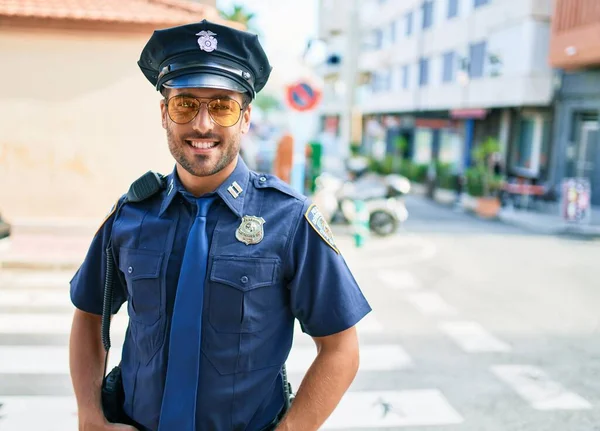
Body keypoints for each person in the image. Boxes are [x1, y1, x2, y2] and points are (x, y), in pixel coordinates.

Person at [69, 20, 371, 431]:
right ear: (164, 114)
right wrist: (90, 418)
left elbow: (340, 348)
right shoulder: (130, 215)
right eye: (185, 104)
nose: (203, 125)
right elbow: (89, 315)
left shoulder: (290, 220)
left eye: (223, 106)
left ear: (245, 118)